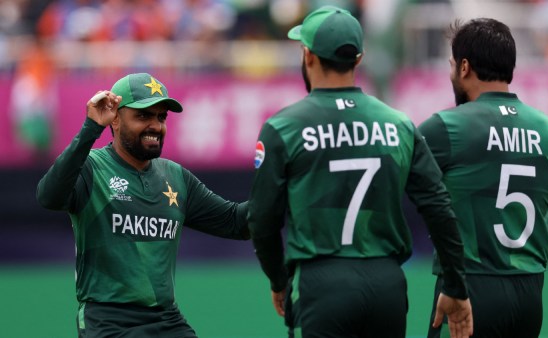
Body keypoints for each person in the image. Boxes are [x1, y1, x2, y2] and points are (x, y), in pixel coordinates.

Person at [247, 6, 473, 338]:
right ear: (358, 59)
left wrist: (279, 280)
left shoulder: (284, 127)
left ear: (308, 56)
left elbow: (262, 219)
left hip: (323, 282)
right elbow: (438, 207)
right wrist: (455, 283)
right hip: (387, 284)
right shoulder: (398, 124)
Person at [36, 73, 249, 338]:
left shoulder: (176, 177)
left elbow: (236, 222)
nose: (155, 126)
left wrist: (282, 188)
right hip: (108, 321)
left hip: (166, 320)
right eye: (143, 116)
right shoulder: (92, 167)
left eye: (161, 117)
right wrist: (90, 128)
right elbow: (49, 196)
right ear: (114, 118)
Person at [418, 18, 548, 338]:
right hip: (529, 296)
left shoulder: (445, 127)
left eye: (453, 64)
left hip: (469, 287)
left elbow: (394, 187)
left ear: (464, 67)